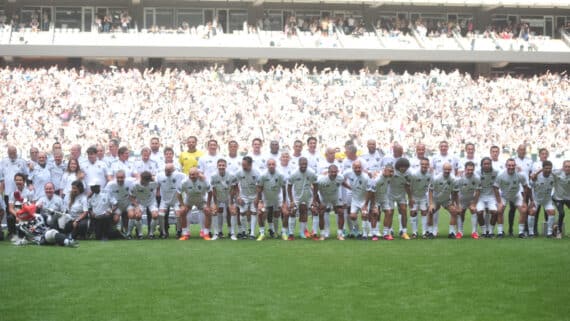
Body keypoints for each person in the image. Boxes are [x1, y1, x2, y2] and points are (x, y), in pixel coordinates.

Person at [494, 158, 530, 238]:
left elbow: (525, 187)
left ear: (515, 166)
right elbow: (495, 188)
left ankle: (521, 233)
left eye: (513, 165)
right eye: (509, 165)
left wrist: (524, 201)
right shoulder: (501, 175)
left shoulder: (520, 175)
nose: (511, 167)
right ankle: (500, 232)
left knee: (524, 210)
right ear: (506, 166)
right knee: (499, 210)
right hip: (504, 195)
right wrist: (499, 202)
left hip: (516, 195)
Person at [256, 158, 287, 241]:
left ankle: (281, 233)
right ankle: (262, 233)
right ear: (267, 166)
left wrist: (284, 202)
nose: (271, 166)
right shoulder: (263, 175)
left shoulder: (280, 174)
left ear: (275, 165)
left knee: (284, 213)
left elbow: (284, 188)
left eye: (273, 164)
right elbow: (259, 188)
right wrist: (259, 202)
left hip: (277, 198)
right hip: (266, 198)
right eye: (269, 164)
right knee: (260, 213)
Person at [314, 164, 348, 240]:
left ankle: (340, 234)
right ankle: (322, 234)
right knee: (321, 213)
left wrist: (350, 188)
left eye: (335, 172)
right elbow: (314, 190)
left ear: (337, 172)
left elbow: (342, 182)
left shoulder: (340, 177)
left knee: (341, 212)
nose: (333, 174)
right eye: (332, 172)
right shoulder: (321, 180)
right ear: (328, 172)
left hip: (335, 197)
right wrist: (318, 203)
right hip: (324, 197)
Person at [287, 157, 317, 240]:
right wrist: (292, 200)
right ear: (299, 164)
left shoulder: (311, 172)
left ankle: (311, 233)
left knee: (314, 211)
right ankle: (291, 234)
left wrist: (314, 199)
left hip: (308, 196)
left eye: (305, 164)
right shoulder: (294, 173)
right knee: (292, 211)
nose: (303, 166)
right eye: (302, 164)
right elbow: (289, 187)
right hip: (297, 197)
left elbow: (316, 185)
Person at [177, 168, 211, 240]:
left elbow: (210, 192)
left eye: (193, 174)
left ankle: (205, 233)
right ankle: (185, 233)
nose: (191, 176)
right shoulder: (184, 182)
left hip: (201, 199)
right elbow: (178, 193)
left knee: (207, 211)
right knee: (183, 211)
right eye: (190, 175)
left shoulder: (204, 180)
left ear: (198, 174)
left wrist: (208, 205)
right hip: (189, 199)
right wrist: (182, 205)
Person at [427, 163, 459, 238]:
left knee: (454, 211)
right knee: (430, 211)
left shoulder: (454, 179)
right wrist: (431, 204)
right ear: (442, 169)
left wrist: (454, 203)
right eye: (445, 169)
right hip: (436, 199)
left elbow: (455, 192)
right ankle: (430, 232)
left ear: (451, 170)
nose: (447, 171)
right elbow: (430, 190)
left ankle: (451, 233)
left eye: (449, 169)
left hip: (446, 200)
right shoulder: (436, 178)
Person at [209, 159, 238, 240]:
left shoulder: (232, 175)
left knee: (232, 212)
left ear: (226, 166)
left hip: (228, 196)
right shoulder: (213, 176)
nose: (221, 167)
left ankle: (232, 233)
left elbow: (233, 189)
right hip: (218, 196)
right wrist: (215, 204)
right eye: (220, 165)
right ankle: (216, 233)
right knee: (214, 212)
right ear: (217, 166)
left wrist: (231, 203)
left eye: (223, 165)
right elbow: (213, 190)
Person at [12, 213, 78, 247]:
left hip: (48, 229)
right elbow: (21, 238)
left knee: (61, 219)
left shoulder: (37, 216)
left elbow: (48, 220)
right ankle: (69, 242)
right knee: (51, 233)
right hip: (41, 238)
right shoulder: (21, 227)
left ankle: (67, 238)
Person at [234, 156, 260, 240]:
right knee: (242, 213)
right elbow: (235, 184)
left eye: (245, 165)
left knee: (253, 212)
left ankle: (252, 233)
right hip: (243, 196)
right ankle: (244, 232)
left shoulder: (256, 173)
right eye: (242, 164)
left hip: (254, 196)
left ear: (250, 164)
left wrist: (257, 198)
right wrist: (238, 196)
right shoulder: (238, 172)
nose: (243, 166)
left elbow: (259, 186)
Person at [156, 164, 185, 238]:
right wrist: (157, 191)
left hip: (176, 200)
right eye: (166, 170)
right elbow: (155, 182)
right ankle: (163, 232)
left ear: (173, 170)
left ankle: (179, 231)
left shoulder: (179, 175)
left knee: (178, 214)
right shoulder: (160, 175)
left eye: (169, 171)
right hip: (164, 200)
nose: (167, 172)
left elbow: (188, 178)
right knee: (161, 214)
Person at [127, 171, 159, 239]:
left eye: (147, 182)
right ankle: (140, 234)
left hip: (151, 202)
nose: (145, 183)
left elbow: (158, 184)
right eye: (143, 181)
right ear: (141, 178)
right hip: (140, 202)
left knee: (155, 215)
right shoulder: (134, 184)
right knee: (138, 216)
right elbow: (131, 197)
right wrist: (136, 206)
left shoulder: (154, 183)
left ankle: (151, 234)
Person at [528, 161, 556, 237]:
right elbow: (529, 187)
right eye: (546, 168)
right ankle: (531, 233)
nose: (548, 170)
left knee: (552, 212)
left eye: (550, 168)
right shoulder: (536, 176)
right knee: (532, 212)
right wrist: (531, 200)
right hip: (536, 199)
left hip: (547, 200)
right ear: (542, 168)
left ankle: (549, 233)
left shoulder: (553, 176)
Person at [455, 161, 481, 239]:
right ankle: (460, 232)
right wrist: (458, 204)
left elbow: (478, 191)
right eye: (468, 169)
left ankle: (474, 232)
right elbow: (455, 192)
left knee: (474, 210)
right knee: (460, 213)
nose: (470, 171)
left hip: (471, 199)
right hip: (461, 199)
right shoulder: (459, 178)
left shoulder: (477, 178)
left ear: (474, 169)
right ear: (465, 169)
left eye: (471, 170)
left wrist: (474, 203)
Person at [475, 157, 500, 238]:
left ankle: (491, 232)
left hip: (491, 196)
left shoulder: (496, 172)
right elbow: (476, 188)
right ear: (481, 165)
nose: (486, 165)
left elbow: (496, 187)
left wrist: (499, 202)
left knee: (495, 212)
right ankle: (483, 232)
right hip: (480, 196)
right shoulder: (477, 173)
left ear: (491, 164)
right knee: (479, 212)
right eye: (485, 164)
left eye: (488, 164)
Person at [345, 160, 370, 239]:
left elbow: (368, 191)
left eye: (359, 167)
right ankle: (358, 232)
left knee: (364, 215)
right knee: (352, 216)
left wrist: (365, 204)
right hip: (355, 200)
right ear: (353, 168)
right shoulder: (348, 173)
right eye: (355, 168)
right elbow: (341, 179)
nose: (357, 169)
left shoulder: (366, 177)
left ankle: (365, 234)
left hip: (364, 200)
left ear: (362, 168)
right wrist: (349, 187)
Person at [408, 157, 432, 238]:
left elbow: (430, 188)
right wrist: (410, 198)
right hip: (414, 196)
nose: (424, 166)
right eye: (423, 164)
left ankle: (424, 232)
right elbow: (409, 187)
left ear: (428, 165)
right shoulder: (414, 174)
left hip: (423, 196)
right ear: (420, 165)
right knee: (413, 213)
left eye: (426, 164)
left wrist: (430, 201)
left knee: (424, 212)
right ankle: (414, 232)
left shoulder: (430, 175)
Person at [7, 173, 35, 240]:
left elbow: (33, 205)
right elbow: (10, 208)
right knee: (10, 217)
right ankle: (12, 234)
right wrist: (17, 215)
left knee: (22, 236)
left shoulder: (29, 191)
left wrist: (25, 215)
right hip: (17, 212)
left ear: (24, 181)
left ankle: (28, 233)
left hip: (28, 213)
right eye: (16, 180)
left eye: (20, 180)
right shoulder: (12, 192)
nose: (18, 182)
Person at [105, 170, 134, 235]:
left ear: (125, 177)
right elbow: (107, 195)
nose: (120, 179)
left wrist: (133, 199)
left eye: (122, 177)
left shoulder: (130, 182)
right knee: (115, 219)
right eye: (118, 177)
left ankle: (128, 233)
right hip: (117, 205)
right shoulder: (110, 184)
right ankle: (115, 233)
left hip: (127, 203)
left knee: (131, 215)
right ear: (115, 177)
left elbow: (137, 186)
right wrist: (114, 202)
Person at [391, 158, 412, 239]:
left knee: (404, 211)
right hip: (390, 195)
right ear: (398, 166)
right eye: (401, 166)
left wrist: (410, 198)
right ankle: (390, 231)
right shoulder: (392, 172)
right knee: (390, 212)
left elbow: (407, 186)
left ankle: (404, 232)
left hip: (401, 195)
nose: (403, 168)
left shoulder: (409, 174)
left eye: (405, 167)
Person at [551, 160, 570, 238]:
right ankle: (559, 231)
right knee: (561, 213)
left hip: (568, 197)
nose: (568, 168)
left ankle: (555, 225)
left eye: (569, 167)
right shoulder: (557, 172)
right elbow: (547, 170)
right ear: (563, 167)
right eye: (566, 166)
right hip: (558, 198)